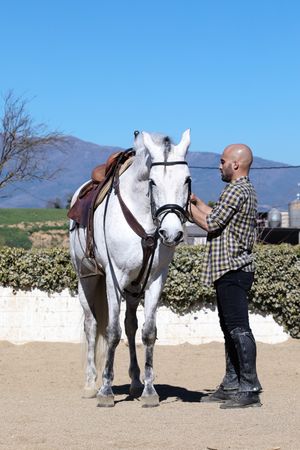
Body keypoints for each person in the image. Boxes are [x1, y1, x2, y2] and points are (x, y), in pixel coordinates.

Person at [189, 143, 262, 409]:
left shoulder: (235, 190)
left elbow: (210, 224)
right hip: (231, 268)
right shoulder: (243, 189)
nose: (219, 165)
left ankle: (250, 388)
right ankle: (232, 383)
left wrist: (184, 208)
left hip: (232, 268)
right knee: (230, 329)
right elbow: (217, 216)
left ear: (235, 164)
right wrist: (196, 202)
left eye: (222, 161)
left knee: (238, 328)